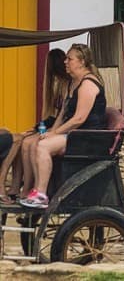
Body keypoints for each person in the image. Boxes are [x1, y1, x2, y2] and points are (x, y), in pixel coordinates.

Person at [20, 43, 106, 208]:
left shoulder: (88, 84)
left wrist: (54, 134)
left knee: (43, 146)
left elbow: (79, 119)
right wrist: (51, 131)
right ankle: (37, 190)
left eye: (70, 58)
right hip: (76, 134)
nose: (65, 62)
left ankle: (42, 193)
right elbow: (63, 113)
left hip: (87, 137)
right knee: (36, 142)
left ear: (82, 62)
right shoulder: (74, 82)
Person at [1, 48, 70, 204]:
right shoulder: (60, 85)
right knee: (22, 140)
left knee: (24, 141)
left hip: (62, 129)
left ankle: (27, 188)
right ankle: (17, 186)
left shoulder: (67, 86)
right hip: (55, 126)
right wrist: (39, 127)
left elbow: (62, 116)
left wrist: (50, 130)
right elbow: (54, 115)